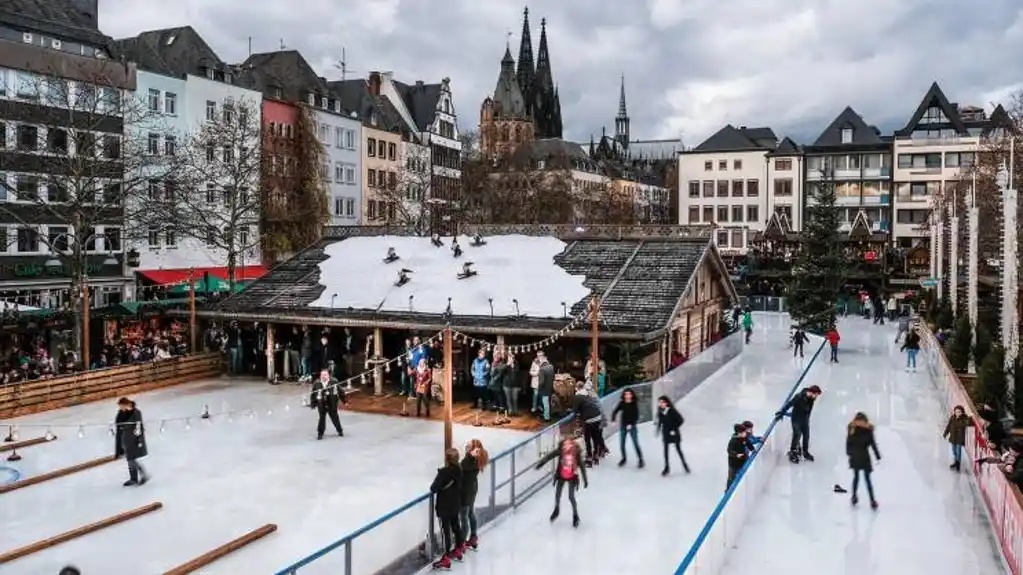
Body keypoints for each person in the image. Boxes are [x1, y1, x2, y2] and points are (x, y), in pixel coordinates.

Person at [535, 437, 588, 527]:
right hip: (564, 476)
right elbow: (582, 467)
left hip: (568, 476)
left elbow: (549, 456)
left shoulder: (571, 452)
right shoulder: (567, 450)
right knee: (565, 496)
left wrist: (541, 463)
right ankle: (564, 511)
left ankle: (571, 514)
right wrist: (585, 479)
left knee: (565, 496)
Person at [430, 448, 464, 569]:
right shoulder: (459, 470)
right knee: (456, 526)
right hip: (455, 504)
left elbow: (433, 488)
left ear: (447, 459)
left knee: (445, 532)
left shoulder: (444, 473)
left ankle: (446, 557)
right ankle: (458, 549)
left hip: (444, 506)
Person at [777, 385, 823, 463]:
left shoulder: (811, 399)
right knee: (797, 434)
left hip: (805, 420)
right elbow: (790, 404)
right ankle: (793, 451)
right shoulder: (799, 397)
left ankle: (805, 451)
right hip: (796, 420)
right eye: (816, 395)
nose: (816, 397)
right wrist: (782, 412)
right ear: (812, 392)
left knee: (806, 435)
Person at [846, 412, 881, 509]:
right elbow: (848, 443)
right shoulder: (853, 429)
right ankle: (856, 497)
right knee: (858, 478)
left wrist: (877, 455)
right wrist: (849, 454)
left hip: (862, 456)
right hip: (857, 456)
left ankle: (871, 500)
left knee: (865, 479)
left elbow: (872, 444)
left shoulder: (867, 430)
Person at [459, 439, 489, 552]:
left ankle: (461, 543)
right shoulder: (474, 460)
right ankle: (473, 537)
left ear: (473, 450)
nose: (466, 446)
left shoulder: (471, 461)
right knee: (470, 513)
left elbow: (462, 466)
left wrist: (470, 455)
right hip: (471, 489)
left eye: (469, 445)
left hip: (466, 491)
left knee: (464, 516)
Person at [114, 397, 149, 486]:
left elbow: (139, 428)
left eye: (121, 406)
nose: (120, 408)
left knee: (131, 459)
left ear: (126, 404)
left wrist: (139, 440)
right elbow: (118, 423)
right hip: (125, 439)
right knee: (130, 459)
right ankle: (134, 478)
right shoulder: (121, 412)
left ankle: (143, 475)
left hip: (134, 440)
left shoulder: (136, 413)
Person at [571, 384, 608, 466]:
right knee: (595, 437)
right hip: (598, 417)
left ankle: (589, 458)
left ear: (576, 389)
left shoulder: (577, 397)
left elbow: (575, 411)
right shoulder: (588, 395)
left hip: (589, 419)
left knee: (587, 439)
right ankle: (596, 457)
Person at [656, 395, 689, 476]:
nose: (660, 404)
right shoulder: (660, 412)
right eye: (659, 403)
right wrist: (658, 429)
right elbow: (660, 422)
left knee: (678, 449)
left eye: (662, 402)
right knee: (666, 451)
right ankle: (667, 467)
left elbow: (681, 420)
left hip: (674, 434)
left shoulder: (672, 411)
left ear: (666, 403)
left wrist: (674, 428)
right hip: (666, 434)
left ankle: (685, 465)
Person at [309, 369, 346, 439]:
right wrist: (313, 404)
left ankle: (339, 430)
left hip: (332, 403)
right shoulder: (316, 383)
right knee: (322, 418)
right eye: (322, 375)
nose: (323, 376)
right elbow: (313, 394)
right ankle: (320, 433)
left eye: (325, 375)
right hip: (321, 403)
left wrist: (344, 401)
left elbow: (341, 391)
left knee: (335, 417)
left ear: (328, 375)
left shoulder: (334, 382)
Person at [612, 387, 644, 468]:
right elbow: (615, 411)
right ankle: (624, 458)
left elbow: (636, 416)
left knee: (635, 443)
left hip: (632, 426)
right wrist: (613, 419)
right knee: (622, 443)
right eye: (626, 394)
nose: (628, 396)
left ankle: (640, 459)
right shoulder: (622, 403)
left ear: (632, 395)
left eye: (629, 394)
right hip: (623, 426)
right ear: (624, 395)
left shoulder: (634, 403)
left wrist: (630, 424)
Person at [943, 405, 971, 472]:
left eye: (959, 412)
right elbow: (949, 426)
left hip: (960, 438)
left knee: (958, 451)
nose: (957, 413)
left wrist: (969, 417)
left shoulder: (964, 418)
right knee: (954, 451)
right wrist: (945, 433)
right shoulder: (952, 417)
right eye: (956, 412)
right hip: (953, 437)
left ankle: (958, 464)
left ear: (962, 412)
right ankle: (956, 462)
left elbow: (968, 423)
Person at [726, 423, 749, 490]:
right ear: (739, 433)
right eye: (744, 432)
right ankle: (728, 490)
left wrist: (753, 449)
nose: (746, 433)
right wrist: (736, 455)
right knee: (731, 477)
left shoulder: (744, 438)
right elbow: (729, 450)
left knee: (740, 475)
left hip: (742, 461)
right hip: (733, 464)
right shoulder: (733, 441)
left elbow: (749, 443)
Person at [535, 352, 554, 421]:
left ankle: (547, 417)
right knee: (548, 403)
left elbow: (541, 382)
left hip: (544, 390)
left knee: (545, 404)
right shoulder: (551, 366)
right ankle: (548, 415)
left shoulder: (542, 369)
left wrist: (538, 388)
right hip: (550, 388)